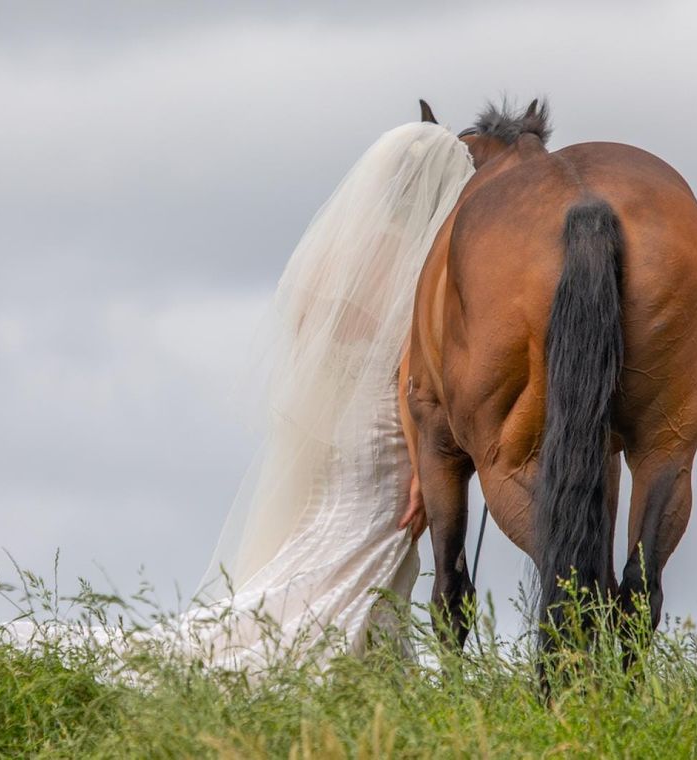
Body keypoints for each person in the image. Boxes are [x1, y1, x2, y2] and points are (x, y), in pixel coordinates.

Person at [151, 121, 474, 671]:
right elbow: (406, 373)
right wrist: (423, 465)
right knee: (372, 538)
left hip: (341, 422)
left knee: (331, 529)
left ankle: (363, 664)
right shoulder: (419, 265)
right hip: (386, 427)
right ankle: (311, 653)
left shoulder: (344, 247)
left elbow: (308, 331)